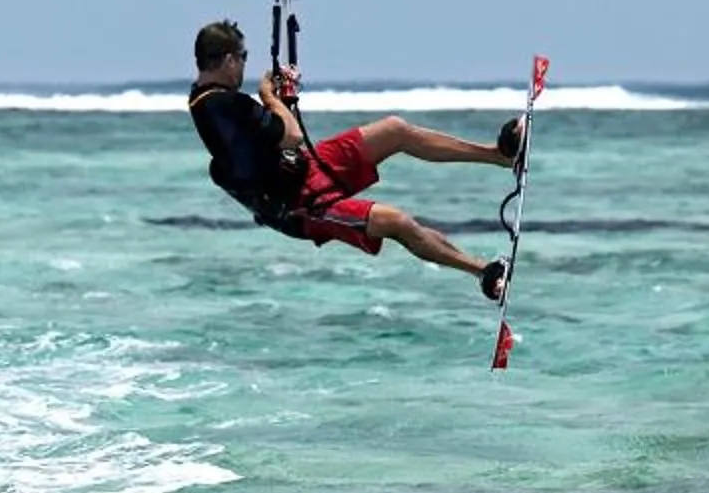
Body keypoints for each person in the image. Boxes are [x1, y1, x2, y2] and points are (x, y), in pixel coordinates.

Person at [183, 18, 523, 300]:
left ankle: (500, 156)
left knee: (394, 130)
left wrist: (282, 102)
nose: (244, 64)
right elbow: (292, 135)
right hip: (299, 206)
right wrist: (270, 96)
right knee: (396, 222)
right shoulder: (224, 105)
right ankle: (484, 273)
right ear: (228, 60)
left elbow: (271, 139)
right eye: (242, 57)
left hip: (302, 169)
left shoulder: (209, 102)